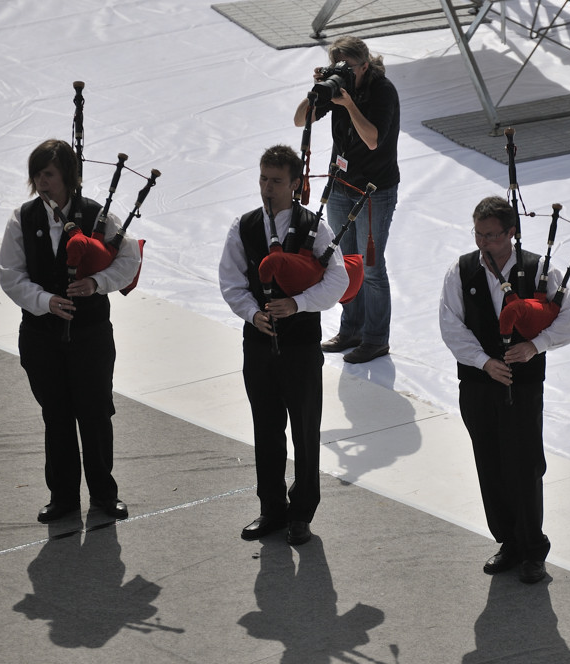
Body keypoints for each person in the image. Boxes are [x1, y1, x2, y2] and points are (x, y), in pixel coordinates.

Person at [439, 196, 570, 584]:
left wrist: (535, 346)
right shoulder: (462, 270)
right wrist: (484, 362)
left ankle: (533, 548)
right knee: (490, 463)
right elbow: (451, 325)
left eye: (491, 236)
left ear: (511, 233)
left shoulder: (538, 270)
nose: (483, 243)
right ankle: (508, 541)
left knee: (524, 465)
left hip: (523, 386)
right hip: (477, 383)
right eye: (478, 234)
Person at [0, 138, 140, 523]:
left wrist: (97, 284)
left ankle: (104, 496)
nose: (41, 182)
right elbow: (11, 275)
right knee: (56, 415)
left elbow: (130, 259)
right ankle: (62, 498)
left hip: (90, 335)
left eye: (49, 174)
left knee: (95, 413)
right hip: (41, 336)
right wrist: (45, 301)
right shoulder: (22, 218)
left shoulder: (97, 215)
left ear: (68, 177)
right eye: (37, 174)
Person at [219, 145, 349, 545]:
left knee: (305, 432)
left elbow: (338, 280)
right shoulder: (244, 226)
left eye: (276, 181)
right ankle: (271, 509)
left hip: (301, 347)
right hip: (258, 345)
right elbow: (231, 281)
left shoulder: (315, 227)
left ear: (296, 184)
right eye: (263, 179)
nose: (267, 188)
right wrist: (252, 314)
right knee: (266, 428)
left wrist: (298, 304)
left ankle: (302, 514)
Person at [294, 35, 400, 364]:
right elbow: (300, 120)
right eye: (337, 66)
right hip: (340, 184)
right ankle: (351, 329)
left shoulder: (383, 91)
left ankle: (375, 339)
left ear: (365, 65)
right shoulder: (337, 84)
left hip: (374, 190)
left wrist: (348, 104)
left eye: (347, 67)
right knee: (345, 261)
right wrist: (319, 89)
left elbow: (372, 140)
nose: (342, 72)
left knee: (370, 267)